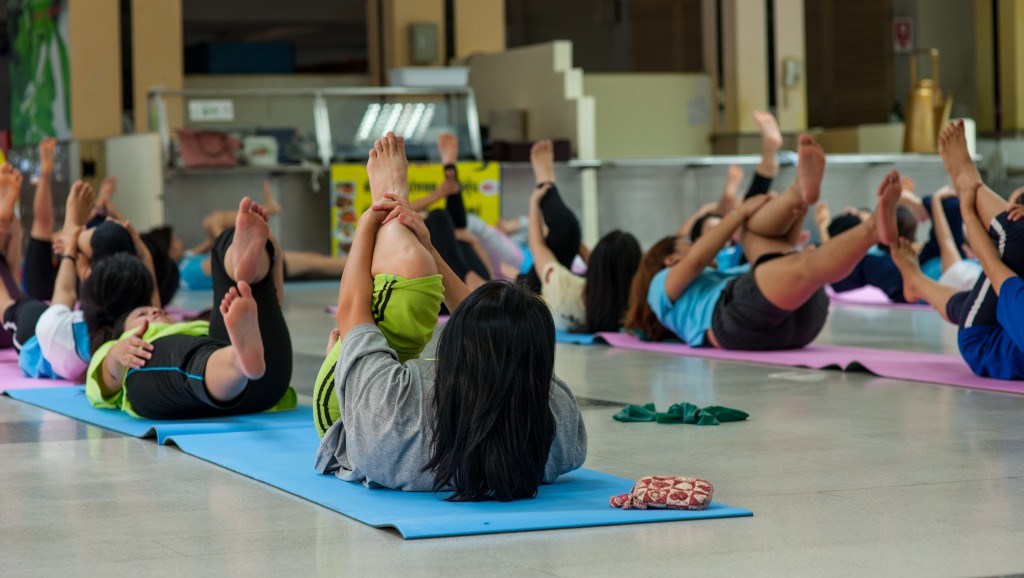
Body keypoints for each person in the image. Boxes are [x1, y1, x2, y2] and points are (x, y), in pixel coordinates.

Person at [313, 133, 586, 501]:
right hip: (429, 410)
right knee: (420, 261)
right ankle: (402, 221)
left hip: (349, 413)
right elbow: (507, 344)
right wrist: (432, 250)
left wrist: (370, 220)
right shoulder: (559, 429)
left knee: (408, 274)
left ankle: (391, 202)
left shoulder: (393, 417)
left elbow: (352, 312)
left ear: (458, 344)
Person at [625, 134, 902, 349]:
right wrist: (738, 212)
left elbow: (782, 248)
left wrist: (799, 212)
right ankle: (865, 227)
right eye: (686, 243)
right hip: (735, 320)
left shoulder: (722, 270)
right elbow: (696, 258)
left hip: (798, 320)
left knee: (767, 244)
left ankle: (800, 196)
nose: (696, 244)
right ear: (670, 259)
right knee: (781, 252)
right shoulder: (659, 286)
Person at [85, 197, 296, 419]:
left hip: (268, 378)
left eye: (157, 310)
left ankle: (248, 266)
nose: (154, 311)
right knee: (141, 367)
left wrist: (274, 257)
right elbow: (110, 377)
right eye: (142, 314)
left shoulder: (204, 328)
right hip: (225, 376)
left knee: (224, 244)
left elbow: (273, 312)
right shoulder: (121, 347)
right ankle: (237, 360)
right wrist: (116, 356)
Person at [892, 120, 1024, 380]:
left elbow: (993, 266)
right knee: (973, 299)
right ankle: (916, 282)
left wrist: (969, 212)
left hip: (983, 340)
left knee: (1017, 236)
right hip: (1004, 316)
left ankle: (967, 179)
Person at [525, 139, 641, 333]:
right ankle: (547, 183)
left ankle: (545, 183)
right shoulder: (634, 303)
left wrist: (534, 204)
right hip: (564, 297)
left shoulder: (567, 289)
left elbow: (537, 247)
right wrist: (574, 242)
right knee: (568, 233)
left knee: (567, 228)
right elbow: (605, 269)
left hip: (531, 291)